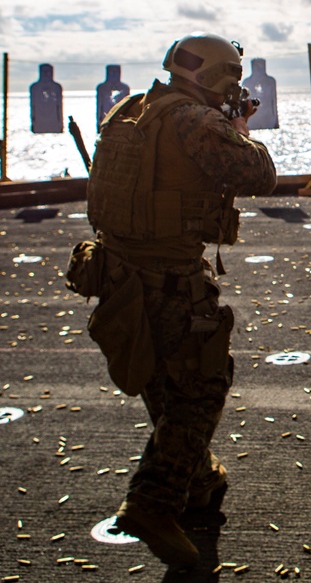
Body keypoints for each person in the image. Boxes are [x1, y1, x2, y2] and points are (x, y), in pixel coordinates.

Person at [76, 33, 276, 566]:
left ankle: (199, 478)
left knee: (167, 385)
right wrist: (241, 130)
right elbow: (259, 174)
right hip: (168, 276)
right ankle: (151, 503)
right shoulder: (196, 121)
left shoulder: (132, 109)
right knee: (203, 387)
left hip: (120, 273)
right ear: (216, 77)